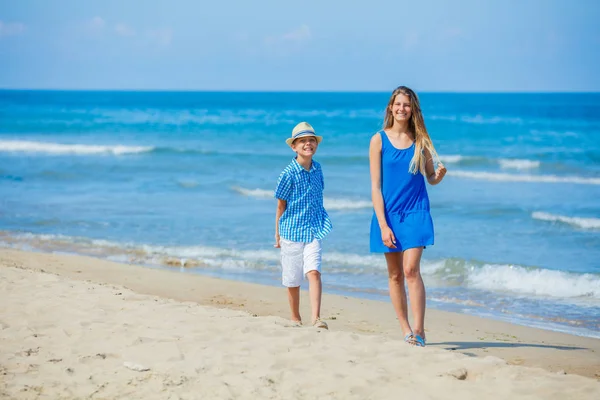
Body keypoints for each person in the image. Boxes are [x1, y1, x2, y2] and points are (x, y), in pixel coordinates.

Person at [369, 86, 447, 347]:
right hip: (388, 214)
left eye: (407, 105)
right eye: (398, 104)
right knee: (394, 275)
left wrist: (439, 175)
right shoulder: (378, 140)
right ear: (391, 107)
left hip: (416, 211)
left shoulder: (421, 141)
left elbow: (430, 178)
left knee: (411, 269)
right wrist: (382, 225)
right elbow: (376, 187)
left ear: (413, 109)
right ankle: (405, 329)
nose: (402, 109)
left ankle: (420, 329)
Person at [274, 121, 332, 329]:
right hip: (290, 231)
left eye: (311, 140)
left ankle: (316, 318)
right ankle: (295, 317)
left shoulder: (318, 170)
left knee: (314, 271)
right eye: (303, 141)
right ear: (294, 147)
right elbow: (281, 205)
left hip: (314, 228)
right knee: (292, 278)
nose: (308, 144)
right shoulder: (288, 174)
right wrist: (277, 234)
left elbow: (319, 196)